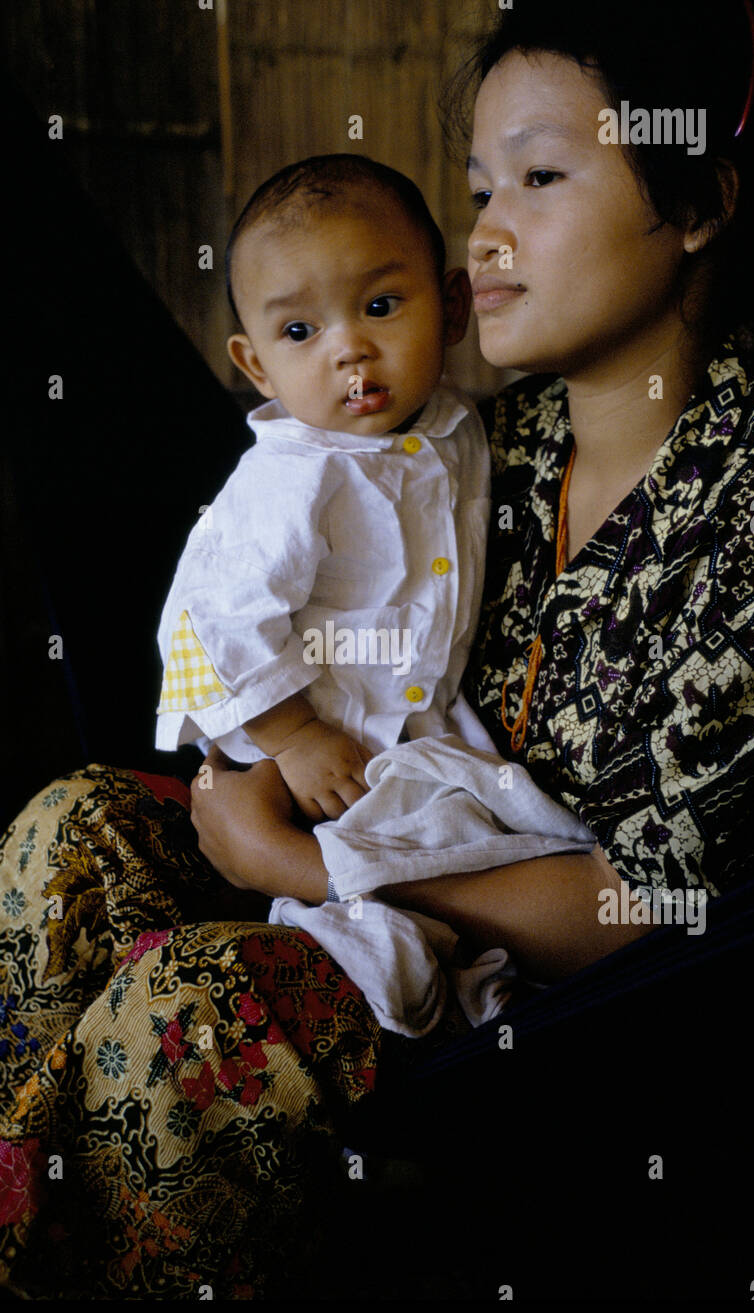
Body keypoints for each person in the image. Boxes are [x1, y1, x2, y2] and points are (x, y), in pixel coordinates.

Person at [0, 0, 754, 1300]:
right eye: (480, 184)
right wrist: (269, 747)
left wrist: (310, 860)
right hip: (392, 846)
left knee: (195, 1014)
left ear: (698, 202)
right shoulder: (489, 441)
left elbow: (672, 917)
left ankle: (82, 1289)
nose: (484, 234)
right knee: (75, 839)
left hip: (576, 1006)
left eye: (540, 179)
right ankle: (15, 1202)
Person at [155, 152, 497, 822]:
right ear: (257, 365)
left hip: (407, 741)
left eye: (379, 305)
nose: (349, 349)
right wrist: (293, 738)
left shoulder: (456, 430)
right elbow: (207, 623)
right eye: (298, 331)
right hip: (294, 755)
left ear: (451, 308)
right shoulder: (291, 477)